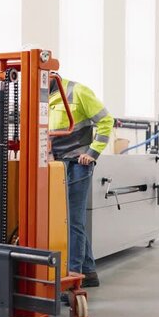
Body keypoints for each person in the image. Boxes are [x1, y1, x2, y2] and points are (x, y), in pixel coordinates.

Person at [49, 75, 114, 287]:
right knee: (69, 219)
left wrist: (92, 153)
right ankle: (89, 271)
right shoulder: (39, 96)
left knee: (72, 220)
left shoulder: (77, 91)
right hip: (55, 164)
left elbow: (106, 121)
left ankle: (74, 276)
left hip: (78, 163)